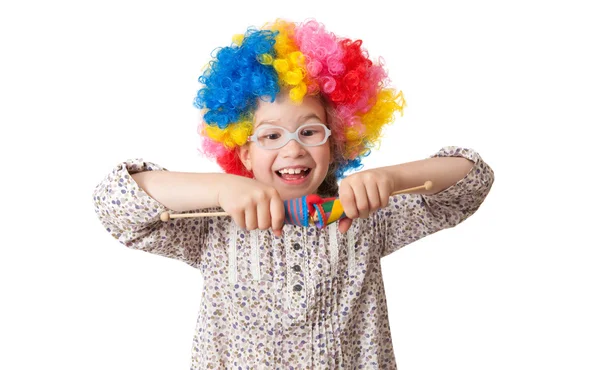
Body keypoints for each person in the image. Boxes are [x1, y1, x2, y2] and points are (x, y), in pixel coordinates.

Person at [92, 19, 495, 368]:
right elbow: (116, 201)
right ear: (244, 153)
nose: (292, 149)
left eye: (309, 131)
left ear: (337, 141)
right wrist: (219, 188)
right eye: (271, 135)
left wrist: (389, 178)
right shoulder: (212, 224)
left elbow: (471, 180)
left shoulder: (367, 213)